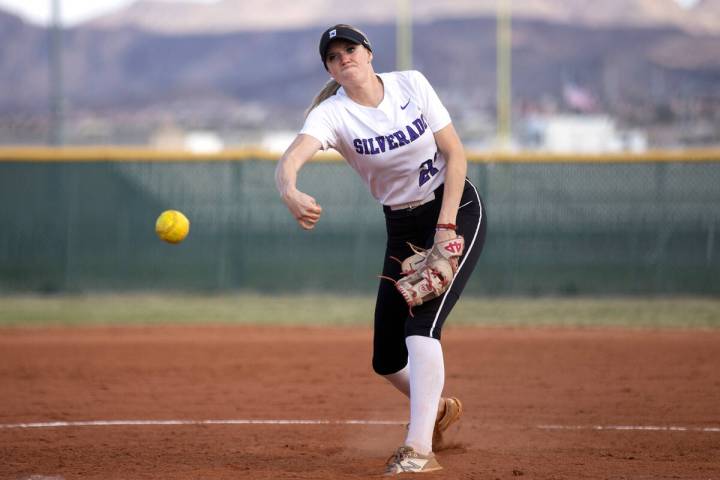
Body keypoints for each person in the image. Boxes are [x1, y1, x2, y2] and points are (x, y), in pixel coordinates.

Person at [275, 24, 487, 475]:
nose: (343, 58)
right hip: (402, 224)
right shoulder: (333, 114)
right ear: (330, 69)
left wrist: (446, 227)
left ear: (369, 53)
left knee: (421, 326)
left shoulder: (411, 83)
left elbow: (456, 154)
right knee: (386, 359)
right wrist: (289, 189)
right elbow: (291, 158)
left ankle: (418, 450)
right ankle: (440, 408)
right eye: (333, 56)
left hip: (453, 206)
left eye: (350, 48)